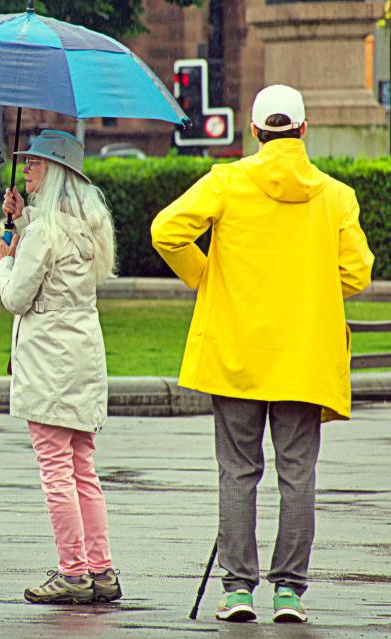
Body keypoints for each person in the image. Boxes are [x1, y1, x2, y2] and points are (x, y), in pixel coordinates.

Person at [151, 85, 373, 624]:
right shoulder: (335, 195)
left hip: (236, 352)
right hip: (304, 354)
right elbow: (357, 273)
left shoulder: (228, 181)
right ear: (303, 130)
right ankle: (290, 591)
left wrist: (210, 280)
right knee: (298, 474)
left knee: (238, 472)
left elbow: (166, 231)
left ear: (254, 132)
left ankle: (238, 589)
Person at [0, 130, 122, 605]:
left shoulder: (45, 231)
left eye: (35, 164)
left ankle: (72, 570)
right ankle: (100, 567)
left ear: (57, 173)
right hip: (82, 354)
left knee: (56, 472)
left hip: (48, 358)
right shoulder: (87, 223)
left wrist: (3, 261)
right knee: (83, 469)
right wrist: (21, 219)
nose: (25, 169)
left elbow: (16, 296)